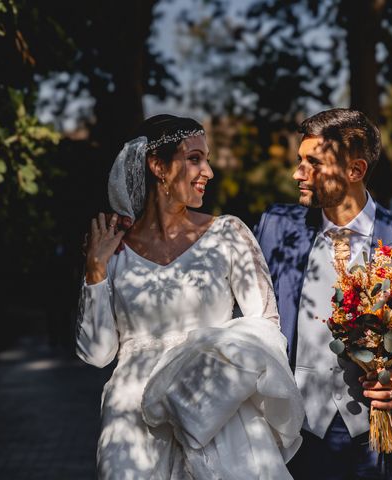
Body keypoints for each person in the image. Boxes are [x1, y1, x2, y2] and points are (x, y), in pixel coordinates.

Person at [77, 114, 304, 479]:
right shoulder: (113, 251)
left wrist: (211, 383)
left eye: (208, 158)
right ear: (158, 166)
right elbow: (97, 352)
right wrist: (94, 270)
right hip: (132, 423)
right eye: (195, 158)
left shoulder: (228, 234)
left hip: (215, 410)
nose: (208, 171)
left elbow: (265, 328)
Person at [255, 108, 392, 479]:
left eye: (312, 163)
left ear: (355, 171)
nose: (297, 174)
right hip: (293, 436)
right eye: (298, 160)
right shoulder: (276, 227)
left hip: (380, 443)